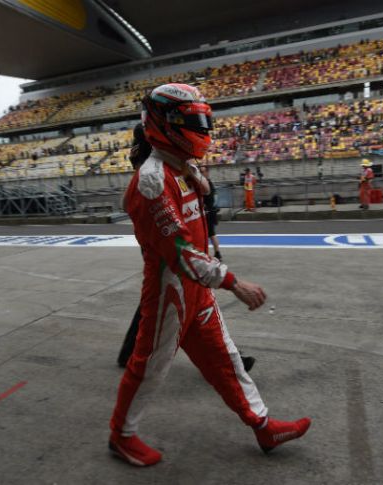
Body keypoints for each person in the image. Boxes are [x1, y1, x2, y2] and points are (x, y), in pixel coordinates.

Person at [109, 83, 310, 467]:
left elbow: (196, 234)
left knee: (227, 360)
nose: (203, 131)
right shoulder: (152, 181)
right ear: (165, 124)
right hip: (170, 293)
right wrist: (236, 284)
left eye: (204, 121)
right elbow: (183, 256)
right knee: (149, 367)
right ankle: (121, 435)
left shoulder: (184, 168)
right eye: (194, 122)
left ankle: (263, 426)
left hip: (197, 292)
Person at [116, 125, 256, 374]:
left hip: (177, 239)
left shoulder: (165, 160)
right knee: (177, 304)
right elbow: (134, 199)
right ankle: (225, 361)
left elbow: (204, 188)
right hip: (168, 239)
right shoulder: (153, 165)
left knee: (173, 303)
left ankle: (131, 353)